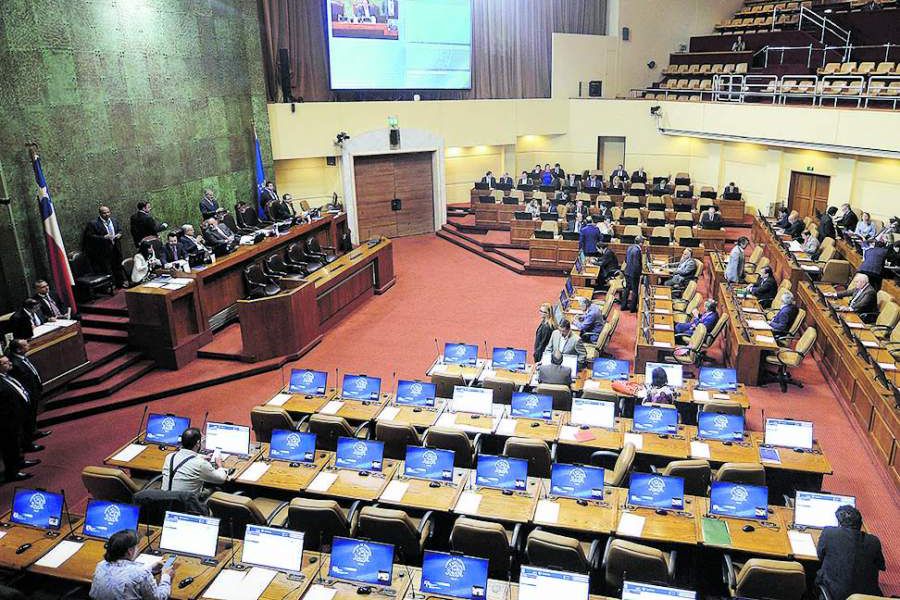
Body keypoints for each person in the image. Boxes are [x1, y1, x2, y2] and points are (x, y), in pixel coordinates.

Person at [815, 505, 884, 600]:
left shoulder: (829, 533)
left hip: (835, 595)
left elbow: (820, 556)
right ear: (861, 524)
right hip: (866, 597)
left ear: (839, 523)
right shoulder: (874, 541)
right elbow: (881, 566)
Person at [89, 529, 173, 600]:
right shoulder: (140, 573)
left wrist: (150, 568)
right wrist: (166, 576)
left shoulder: (101, 565)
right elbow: (158, 597)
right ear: (130, 551)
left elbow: (125, 574)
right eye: (136, 547)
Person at [6, 339, 50, 451]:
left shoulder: (22, 358)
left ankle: (34, 432)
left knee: (32, 417)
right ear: (18, 349)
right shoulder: (15, 364)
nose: (28, 345)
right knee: (27, 420)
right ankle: (28, 444)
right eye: (25, 345)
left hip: (33, 392)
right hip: (28, 395)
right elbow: (21, 383)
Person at [0, 356, 39, 482]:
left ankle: (20, 462)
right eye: (6, 363)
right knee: (10, 447)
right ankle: (12, 473)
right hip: (7, 423)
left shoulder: (6, 376)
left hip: (17, 418)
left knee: (17, 444)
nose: (10, 364)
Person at [161, 427, 228, 495]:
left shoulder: (169, 457)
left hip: (165, 501)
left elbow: (186, 457)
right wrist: (220, 465)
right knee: (217, 489)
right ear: (198, 443)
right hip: (186, 504)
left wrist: (201, 457)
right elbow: (221, 479)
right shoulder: (200, 464)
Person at [84, 205, 125, 288]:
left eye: (108, 212)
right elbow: (89, 237)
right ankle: (111, 285)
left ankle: (120, 283)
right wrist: (103, 238)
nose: (107, 214)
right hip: (104, 251)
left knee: (118, 266)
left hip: (116, 248)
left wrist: (119, 234)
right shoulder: (93, 223)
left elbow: (120, 230)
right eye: (104, 213)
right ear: (100, 213)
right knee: (107, 268)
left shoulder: (114, 220)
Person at [623, 235, 644, 312]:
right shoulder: (638, 250)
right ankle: (632, 308)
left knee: (627, 289)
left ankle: (623, 305)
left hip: (627, 271)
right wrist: (640, 273)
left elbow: (625, 260)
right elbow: (636, 264)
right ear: (641, 243)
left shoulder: (630, 247)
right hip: (634, 274)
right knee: (635, 291)